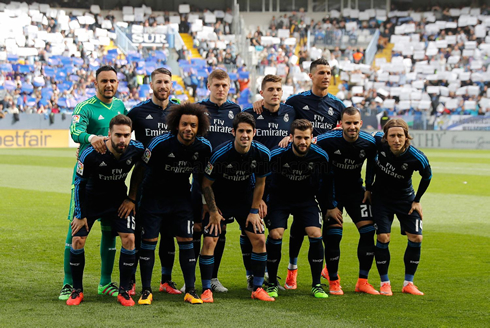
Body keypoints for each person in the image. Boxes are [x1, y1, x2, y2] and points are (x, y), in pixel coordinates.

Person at [127, 103, 212, 305]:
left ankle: (190, 290)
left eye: (193, 125)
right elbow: (139, 170)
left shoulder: (203, 147)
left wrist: (207, 205)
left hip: (181, 198)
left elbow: (203, 180)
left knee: (186, 241)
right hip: (153, 197)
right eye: (184, 124)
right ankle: (146, 291)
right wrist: (132, 198)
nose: (188, 129)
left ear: (198, 127)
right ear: (176, 125)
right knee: (148, 242)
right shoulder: (160, 144)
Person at [59, 66, 126, 301]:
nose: (109, 84)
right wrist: (91, 138)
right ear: (95, 83)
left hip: (113, 181)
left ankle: (105, 282)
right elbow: (75, 130)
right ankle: (69, 284)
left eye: (113, 81)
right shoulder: (85, 107)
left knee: (111, 232)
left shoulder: (119, 106)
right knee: (76, 229)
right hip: (87, 180)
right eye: (104, 81)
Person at [66, 114, 144, 307]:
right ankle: (77, 290)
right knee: (77, 239)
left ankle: (124, 291)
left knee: (130, 239)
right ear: (109, 134)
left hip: (118, 201)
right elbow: (79, 184)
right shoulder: (90, 154)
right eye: (118, 135)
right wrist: (80, 215)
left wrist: (132, 198)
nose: (122, 139)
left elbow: (142, 169)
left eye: (126, 135)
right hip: (90, 201)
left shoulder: (137, 149)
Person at [200, 112, 273, 302]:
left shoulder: (262, 153)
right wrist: (214, 211)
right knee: (209, 241)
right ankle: (206, 289)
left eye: (249, 131)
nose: (245, 135)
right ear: (233, 132)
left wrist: (254, 211)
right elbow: (206, 184)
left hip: (245, 201)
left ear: (254, 132)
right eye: (241, 131)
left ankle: (257, 288)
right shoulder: (220, 154)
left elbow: (260, 183)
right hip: (221, 200)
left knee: (259, 239)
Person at [127, 67, 182, 295]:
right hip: (145, 183)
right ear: (151, 85)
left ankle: (166, 280)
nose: (163, 86)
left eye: (167, 82)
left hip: (175, 183)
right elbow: (120, 136)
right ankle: (131, 281)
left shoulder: (179, 112)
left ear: (171, 85)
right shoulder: (137, 112)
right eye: (159, 82)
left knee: (169, 234)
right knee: (142, 234)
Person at [315, 107, 379, 295]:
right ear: (340, 124)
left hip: (355, 192)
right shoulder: (327, 140)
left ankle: (362, 281)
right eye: (348, 123)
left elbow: (373, 165)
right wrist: (328, 205)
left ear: (360, 123)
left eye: (355, 123)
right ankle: (334, 280)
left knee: (368, 232)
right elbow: (306, 143)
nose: (352, 127)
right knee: (334, 235)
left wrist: (368, 188)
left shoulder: (369, 142)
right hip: (332, 192)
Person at [189, 69, 242, 293]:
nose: (221, 89)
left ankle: (212, 278)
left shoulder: (236, 110)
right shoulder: (198, 109)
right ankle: (190, 278)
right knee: (197, 228)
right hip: (200, 176)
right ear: (208, 86)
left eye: (225, 85)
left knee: (219, 228)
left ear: (229, 87)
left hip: (224, 181)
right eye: (217, 85)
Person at [265, 119, 329, 299]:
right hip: (279, 200)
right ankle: (271, 283)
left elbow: (326, 182)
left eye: (306, 138)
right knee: (276, 234)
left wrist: (329, 206)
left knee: (316, 234)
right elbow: (263, 178)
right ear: (291, 137)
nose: (303, 142)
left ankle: (316, 284)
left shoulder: (320, 156)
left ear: (312, 138)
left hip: (305, 200)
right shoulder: (277, 154)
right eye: (299, 137)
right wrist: (261, 202)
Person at [243, 74, 295, 290]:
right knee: (251, 230)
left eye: (278, 89)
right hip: (252, 181)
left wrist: (291, 137)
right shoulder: (250, 114)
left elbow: (303, 129)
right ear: (261, 93)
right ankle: (251, 276)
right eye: (270, 89)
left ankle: (271, 277)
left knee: (275, 232)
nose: (275, 93)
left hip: (279, 185)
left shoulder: (290, 112)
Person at [371, 118, 432, 296]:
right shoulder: (378, 143)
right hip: (381, 199)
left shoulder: (416, 156)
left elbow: (427, 176)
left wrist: (417, 200)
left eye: (400, 136)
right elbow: (361, 137)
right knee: (383, 237)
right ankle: (384, 283)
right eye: (392, 136)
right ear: (385, 137)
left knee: (416, 238)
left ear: (406, 137)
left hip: (405, 199)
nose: (396, 140)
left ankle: (408, 283)